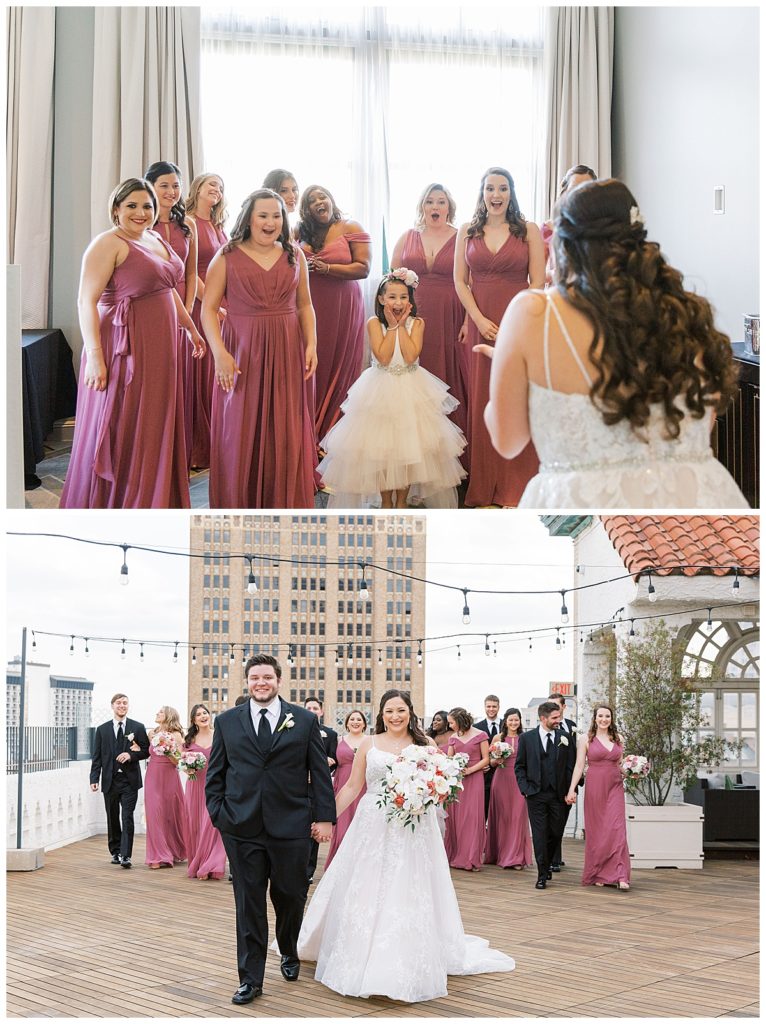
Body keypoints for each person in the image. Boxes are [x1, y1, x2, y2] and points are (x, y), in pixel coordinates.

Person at [480, 178, 748, 509]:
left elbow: (508, 442)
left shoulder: (534, 313)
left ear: (564, 245)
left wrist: (507, 376)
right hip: (695, 515)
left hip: (588, 519)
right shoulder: (685, 312)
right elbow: (697, 427)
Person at [295, 689, 515, 1001]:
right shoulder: (368, 745)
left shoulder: (425, 745)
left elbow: (445, 780)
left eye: (401, 710)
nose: (395, 717)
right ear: (381, 715)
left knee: (408, 887)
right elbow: (352, 787)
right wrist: (324, 817)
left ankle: (403, 957)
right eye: (389, 712)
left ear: (410, 712)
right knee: (366, 884)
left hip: (413, 827)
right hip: (372, 825)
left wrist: (428, 793)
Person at [60, 178, 205, 508]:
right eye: (132, 206)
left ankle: (152, 496)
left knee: (153, 422)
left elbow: (168, 289)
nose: (141, 213)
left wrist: (190, 328)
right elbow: (86, 301)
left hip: (162, 346)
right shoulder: (106, 243)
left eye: (147, 206)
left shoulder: (155, 238)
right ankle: (121, 499)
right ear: (116, 209)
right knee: (125, 422)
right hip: (124, 347)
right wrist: (96, 357)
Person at [205, 654, 335, 1005]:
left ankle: (289, 949)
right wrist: (219, 814)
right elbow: (215, 773)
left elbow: (319, 774)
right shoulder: (227, 722)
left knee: (290, 895)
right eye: (254, 677)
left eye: (267, 677)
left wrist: (324, 817)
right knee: (248, 904)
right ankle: (251, 979)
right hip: (241, 826)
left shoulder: (304, 720)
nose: (260, 683)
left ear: (278, 681)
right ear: (247, 682)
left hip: (291, 825)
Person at [202, 189, 318, 509]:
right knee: (239, 428)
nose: (270, 222)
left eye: (276, 216)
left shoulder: (295, 254)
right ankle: (239, 502)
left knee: (285, 429)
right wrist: (220, 354)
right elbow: (208, 309)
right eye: (263, 215)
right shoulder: (227, 255)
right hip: (242, 351)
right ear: (249, 218)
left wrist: (312, 345)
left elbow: (305, 305)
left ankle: (281, 503)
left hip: (286, 349)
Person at [317, 269, 467, 508]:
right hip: (380, 389)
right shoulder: (374, 323)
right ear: (381, 299)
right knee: (383, 450)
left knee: (408, 448)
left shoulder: (417, 323)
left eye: (404, 297)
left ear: (410, 300)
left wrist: (401, 325)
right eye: (392, 297)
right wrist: (394, 327)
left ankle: (402, 502)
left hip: (411, 388)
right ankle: (387, 501)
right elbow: (384, 357)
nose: (398, 302)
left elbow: (409, 356)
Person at [454, 167, 545, 507]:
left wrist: (515, 321)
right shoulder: (467, 231)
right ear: (481, 193)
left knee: (517, 398)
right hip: (482, 323)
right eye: (490, 188)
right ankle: (486, 486)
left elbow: (538, 282)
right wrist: (477, 318)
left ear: (511, 193)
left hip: (518, 322)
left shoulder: (528, 231)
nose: (496, 194)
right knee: (483, 400)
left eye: (502, 188)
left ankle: (518, 487)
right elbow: (461, 282)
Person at [392, 184, 469, 459]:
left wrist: (467, 321)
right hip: (413, 315)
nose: (435, 207)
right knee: (415, 374)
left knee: (447, 374)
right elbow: (391, 281)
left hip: (450, 314)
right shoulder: (407, 236)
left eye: (441, 202)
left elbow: (470, 282)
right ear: (422, 206)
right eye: (430, 202)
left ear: (449, 207)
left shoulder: (462, 237)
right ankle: (413, 452)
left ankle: (449, 454)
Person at [295, 185, 371, 443]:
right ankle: (308, 431)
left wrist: (327, 268)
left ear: (331, 200)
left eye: (322, 196)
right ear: (306, 210)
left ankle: (334, 434)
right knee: (313, 362)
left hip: (343, 304)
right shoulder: (298, 232)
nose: (319, 201)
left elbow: (363, 269)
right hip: (309, 305)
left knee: (340, 363)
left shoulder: (351, 227)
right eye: (312, 200)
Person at [185, 172, 228, 469]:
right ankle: (199, 445)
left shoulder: (218, 225)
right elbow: (188, 272)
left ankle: (217, 439)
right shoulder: (189, 222)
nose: (217, 190)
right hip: (202, 304)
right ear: (198, 188)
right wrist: (208, 304)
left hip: (221, 304)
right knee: (201, 376)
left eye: (221, 187)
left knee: (217, 375)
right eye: (212, 184)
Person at [566, 705, 631, 890]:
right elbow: (579, 766)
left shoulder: (619, 739)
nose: (604, 719)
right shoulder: (585, 739)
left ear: (612, 718)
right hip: (595, 788)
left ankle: (620, 875)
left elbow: (620, 765)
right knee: (599, 832)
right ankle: (600, 873)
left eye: (607, 716)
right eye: (600, 716)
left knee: (617, 830)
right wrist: (572, 790)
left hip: (615, 787)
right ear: (595, 718)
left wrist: (632, 771)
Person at [514, 700, 575, 889]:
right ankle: (541, 874)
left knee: (555, 833)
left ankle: (547, 863)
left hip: (559, 795)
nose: (559, 720)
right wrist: (526, 789)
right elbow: (520, 767)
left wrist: (571, 790)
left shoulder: (565, 737)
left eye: (559, 717)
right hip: (535, 794)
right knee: (540, 834)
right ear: (543, 718)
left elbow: (571, 766)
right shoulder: (526, 738)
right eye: (555, 717)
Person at [89, 693, 150, 868]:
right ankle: (115, 851)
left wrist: (130, 755)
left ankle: (126, 855)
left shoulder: (137, 727)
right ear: (112, 706)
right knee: (113, 817)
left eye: (125, 703)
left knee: (127, 817)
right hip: (110, 780)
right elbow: (97, 757)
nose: (122, 705)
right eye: (118, 703)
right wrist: (94, 778)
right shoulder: (102, 729)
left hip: (129, 781)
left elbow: (146, 751)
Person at [484, 708, 532, 869]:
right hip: (501, 778)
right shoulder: (498, 737)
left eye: (516, 720)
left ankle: (516, 857)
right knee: (502, 817)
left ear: (520, 721)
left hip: (519, 781)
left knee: (518, 817)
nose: (513, 723)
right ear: (505, 721)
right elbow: (489, 762)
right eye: (510, 720)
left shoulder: (525, 738)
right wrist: (497, 758)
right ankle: (500, 854)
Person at [183, 703, 226, 880]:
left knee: (212, 824)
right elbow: (182, 762)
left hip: (215, 785)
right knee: (195, 825)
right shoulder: (189, 740)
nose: (203, 716)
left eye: (205, 713)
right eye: (199, 714)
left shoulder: (219, 735)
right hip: (195, 785)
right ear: (193, 720)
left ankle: (213, 864)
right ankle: (199, 861)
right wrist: (188, 769)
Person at [444, 708, 490, 871]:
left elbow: (486, 759)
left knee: (472, 818)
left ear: (460, 720)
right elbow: (448, 759)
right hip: (457, 781)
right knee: (457, 819)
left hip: (475, 779)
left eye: (451, 722)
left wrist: (471, 770)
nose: (450, 726)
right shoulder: (453, 738)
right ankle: (457, 856)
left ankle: (472, 858)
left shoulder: (481, 735)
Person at [323, 709, 368, 870]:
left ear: (364, 723)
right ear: (347, 723)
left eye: (359, 719)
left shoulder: (369, 741)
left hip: (363, 786)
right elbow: (331, 759)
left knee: (361, 827)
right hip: (342, 784)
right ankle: (338, 867)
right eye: (352, 719)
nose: (355, 722)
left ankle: (360, 867)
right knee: (341, 829)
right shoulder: (338, 739)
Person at [144, 706, 187, 869]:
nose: (157, 713)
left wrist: (168, 750)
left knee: (170, 815)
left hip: (169, 777)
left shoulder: (176, 735)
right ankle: (157, 856)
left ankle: (173, 849)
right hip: (153, 776)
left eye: (160, 712)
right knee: (154, 814)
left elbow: (179, 762)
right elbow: (149, 752)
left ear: (168, 716)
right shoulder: (152, 733)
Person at [541, 164, 597, 280]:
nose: (580, 194)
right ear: (564, 192)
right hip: (557, 291)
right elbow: (537, 274)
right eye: (574, 188)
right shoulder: (548, 228)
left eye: (586, 188)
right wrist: (553, 273)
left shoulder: (600, 227)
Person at [304, 696, 338, 883]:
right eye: (308, 707)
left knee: (314, 830)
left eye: (315, 708)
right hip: (299, 787)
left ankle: (308, 871)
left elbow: (335, 760)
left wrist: (325, 765)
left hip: (317, 788)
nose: (311, 710)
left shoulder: (330, 735)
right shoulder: (296, 731)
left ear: (321, 711)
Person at [549, 692, 579, 871]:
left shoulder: (572, 726)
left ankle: (556, 856)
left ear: (563, 707)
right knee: (552, 821)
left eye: (556, 705)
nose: (553, 709)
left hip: (568, 782)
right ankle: (553, 859)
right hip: (551, 783)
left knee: (561, 820)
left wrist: (574, 785)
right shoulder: (545, 728)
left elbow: (576, 756)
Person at [474, 694, 502, 816]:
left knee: (501, 809)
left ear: (498, 707)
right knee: (483, 809)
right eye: (488, 706)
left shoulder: (507, 726)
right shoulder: (476, 727)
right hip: (483, 774)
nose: (491, 709)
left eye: (494, 706)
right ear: (484, 707)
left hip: (502, 772)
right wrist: (479, 765)